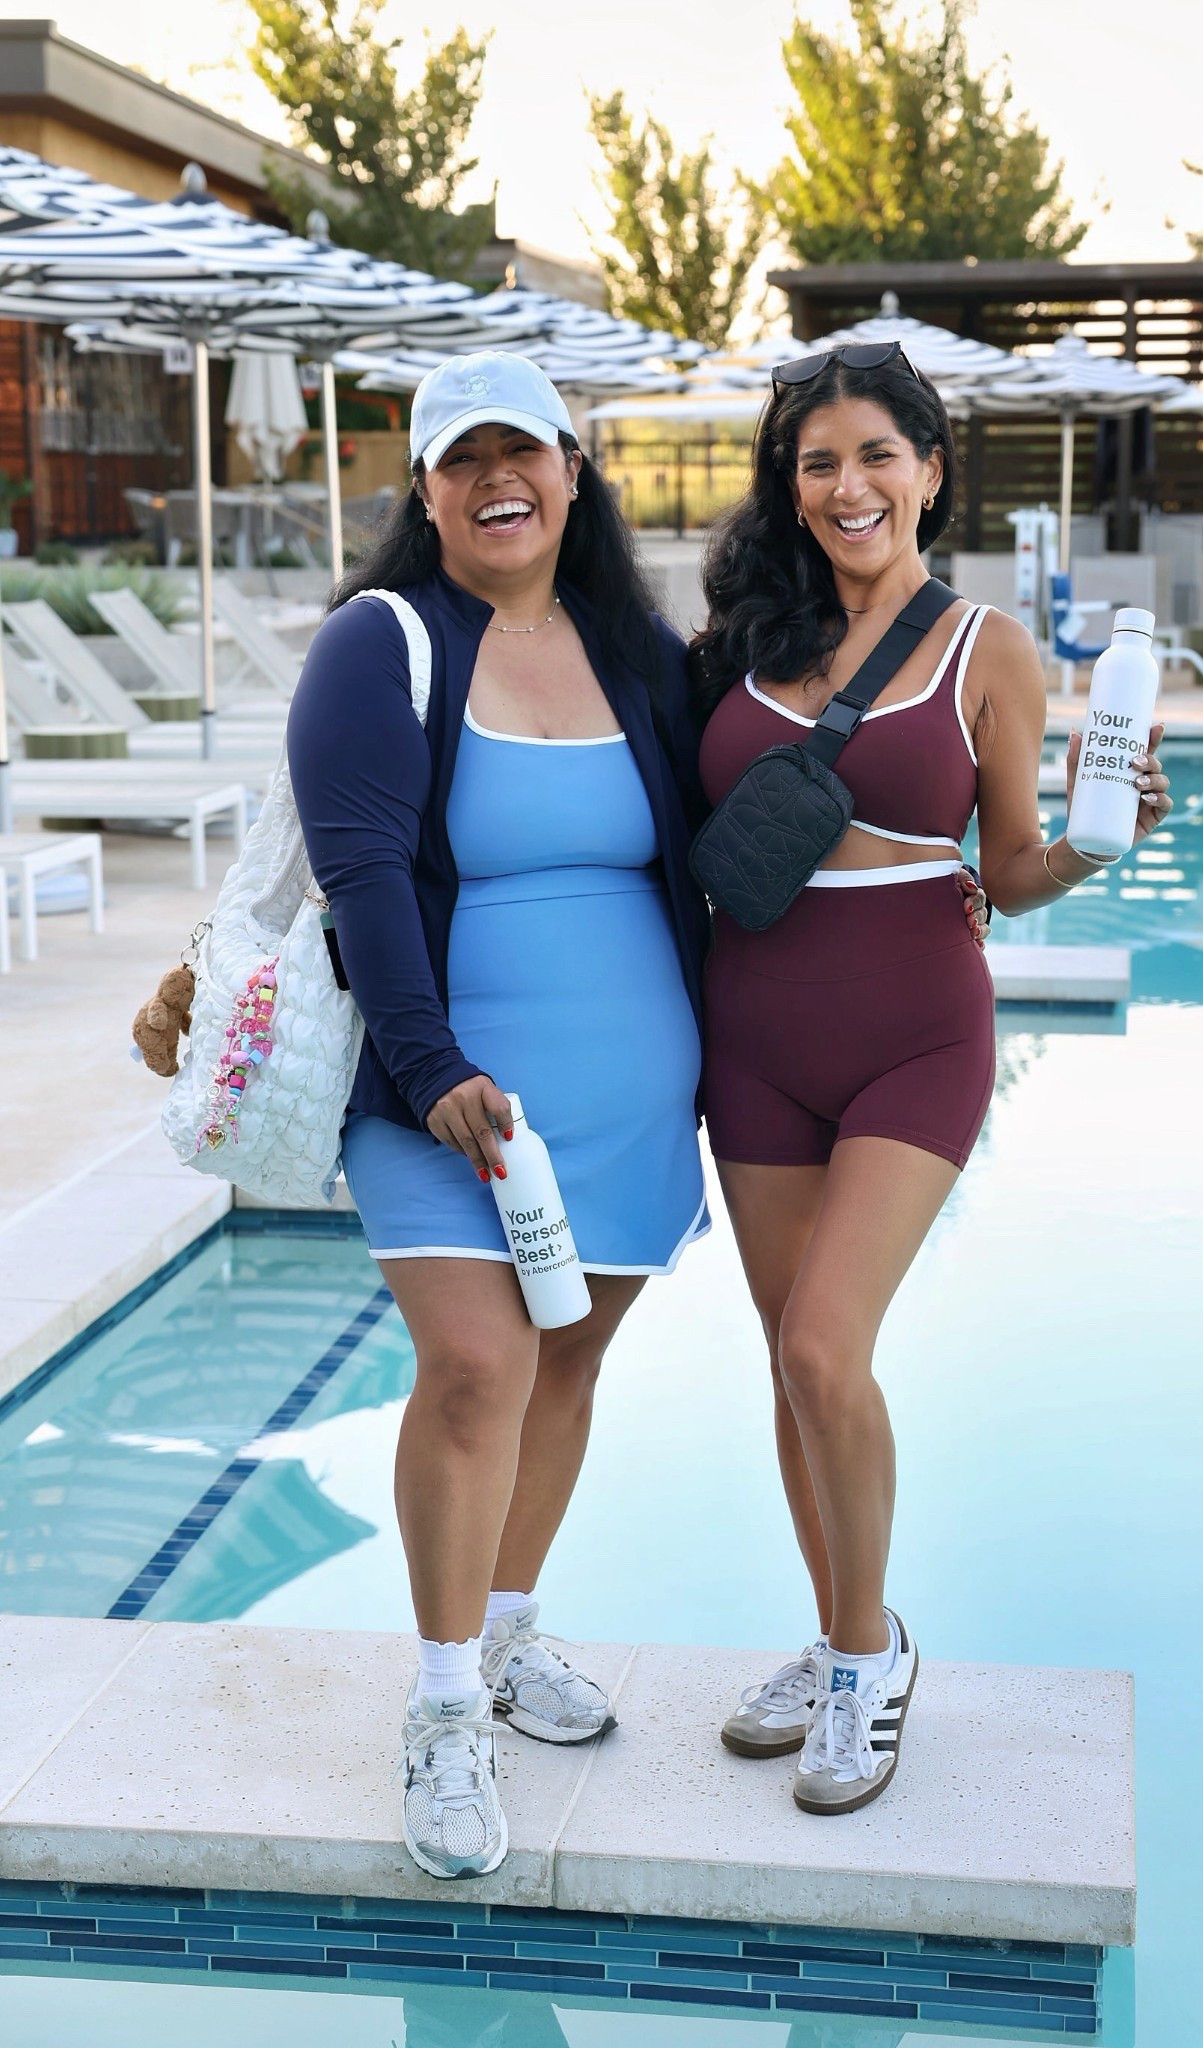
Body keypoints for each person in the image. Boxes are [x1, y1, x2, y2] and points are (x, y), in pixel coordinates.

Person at [690, 341, 1171, 1815]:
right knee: (788, 1364)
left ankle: (861, 1668)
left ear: (929, 470)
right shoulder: (732, 642)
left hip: (914, 1031)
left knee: (826, 1348)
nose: (848, 486)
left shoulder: (986, 649)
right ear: (790, 480)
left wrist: (1099, 837)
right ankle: (851, 1630)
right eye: (818, 459)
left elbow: (1012, 871)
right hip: (750, 1036)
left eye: (875, 457)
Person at [287, 353, 714, 1878]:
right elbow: (362, 876)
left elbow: (746, 807)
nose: (493, 482)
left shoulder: (637, 651)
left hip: (628, 1092)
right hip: (444, 1088)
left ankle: (512, 1622)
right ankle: (448, 1705)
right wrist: (427, 1068)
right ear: (425, 494)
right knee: (475, 1370)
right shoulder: (380, 643)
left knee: (566, 1366)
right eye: (458, 462)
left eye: (517, 452)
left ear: (572, 470)